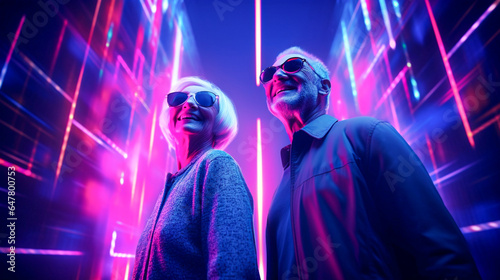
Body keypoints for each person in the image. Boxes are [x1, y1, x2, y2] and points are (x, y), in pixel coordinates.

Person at [262, 47, 481, 279]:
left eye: (293, 65)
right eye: (269, 73)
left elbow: (439, 247)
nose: (277, 76)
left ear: (323, 86)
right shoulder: (281, 188)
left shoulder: (366, 135)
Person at [133, 77, 260, 279]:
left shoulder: (217, 164)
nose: (189, 103)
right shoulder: (173, 185)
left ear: (218, 120)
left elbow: (233, 267)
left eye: (204, 99)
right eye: (179, 98)